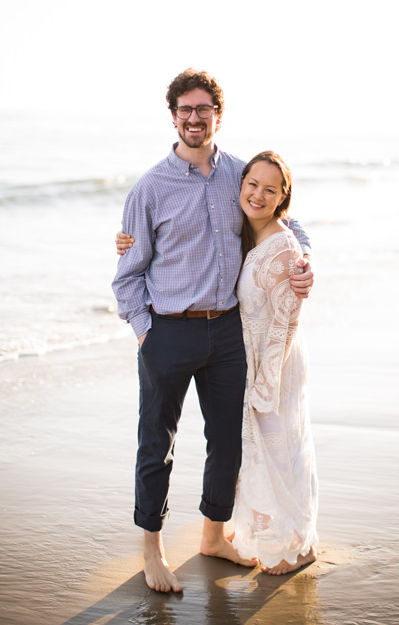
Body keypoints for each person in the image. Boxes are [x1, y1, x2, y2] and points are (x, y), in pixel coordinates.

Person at [112, 68, 313, 593]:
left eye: (204, 109)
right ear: (173, 116)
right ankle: (152, 552)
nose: (194, 118)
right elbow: (128, 275)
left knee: (227, 443)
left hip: (227, 333)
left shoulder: (242, 174)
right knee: (156, 444)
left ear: (217, 115)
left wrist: (305, 259)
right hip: (167, 332)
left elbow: (289, 219)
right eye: (185, 110)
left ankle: (212, 537)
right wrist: (143, 333)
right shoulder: (150, 187)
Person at [230, 151, 318, 575]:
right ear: (241, 184)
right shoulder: (249, 232)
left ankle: (299, 547)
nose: (258, 195)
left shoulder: (282, 246)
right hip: (254, 360)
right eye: (252, 185)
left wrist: (264, 383)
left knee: (284, 454)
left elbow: (285, 323)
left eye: (270, 189)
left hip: (275, 366)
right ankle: (265, 530)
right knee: (262, 453)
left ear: (283, 198)